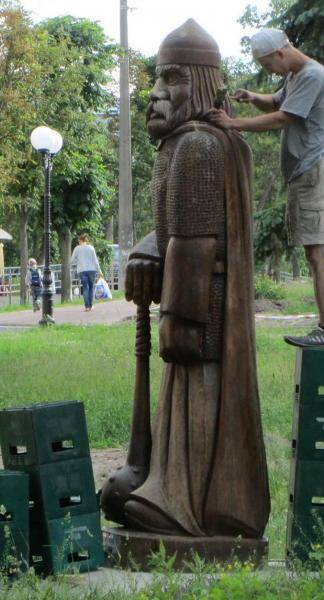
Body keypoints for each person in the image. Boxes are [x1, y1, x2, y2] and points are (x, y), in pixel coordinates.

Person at [118, 19, 269, 539]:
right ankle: (168, 489)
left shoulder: (200, 147)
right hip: (192, 303)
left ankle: (186, 506)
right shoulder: (183, 145)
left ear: (202, 84)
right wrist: (146, 251)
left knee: (199, 403)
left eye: (173, 79)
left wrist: (178, 317)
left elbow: (195, 241)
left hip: (200, 309)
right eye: (157, 78)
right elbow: (171, 226)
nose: (156, 93)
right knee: (182, 404)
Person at [209, 28, 324, 348]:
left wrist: (233, 124)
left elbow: (283, 117)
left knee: (318, 250)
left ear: (281, 53)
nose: (270, 71)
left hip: (315, 169)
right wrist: (253, 97)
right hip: (304, 172)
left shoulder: (312, 75)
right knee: (313, 251)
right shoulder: (294, 76)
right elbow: (275, 102)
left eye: (269, 65)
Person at [70, 234, 102, 312]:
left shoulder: (77, 249)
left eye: (78, 241)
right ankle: (91, 306)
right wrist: (100, 271)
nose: (78, 242)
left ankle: (87, 307)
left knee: (85, 288)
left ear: (80, 240)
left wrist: (77, 261)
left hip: (82, 271)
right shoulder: (91, 248)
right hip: (92, 270)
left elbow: (72, 260)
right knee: (91, 288)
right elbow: (95, 261)